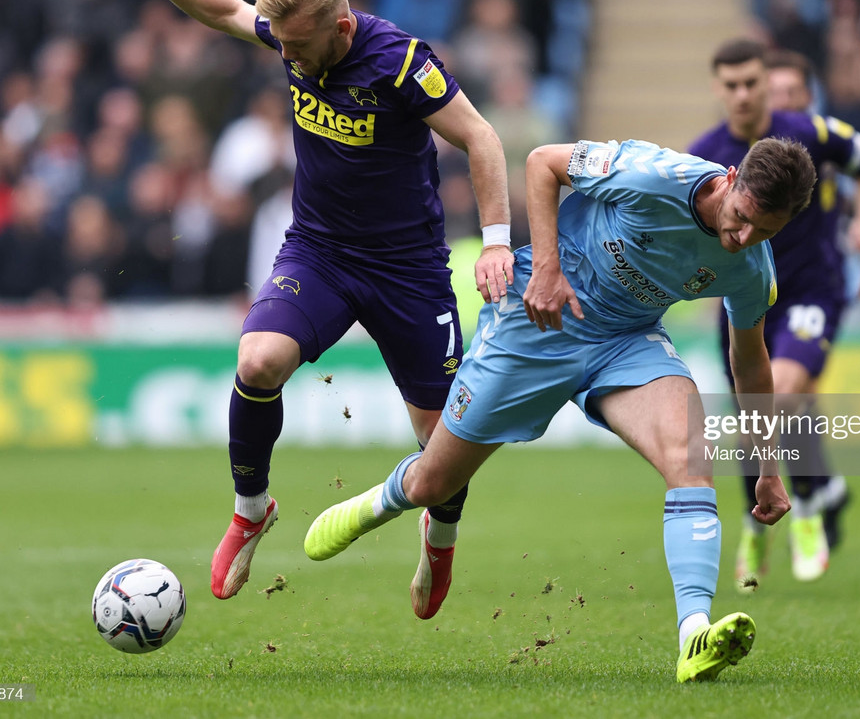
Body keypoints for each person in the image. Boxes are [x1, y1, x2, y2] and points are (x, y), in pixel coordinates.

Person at [108, 0, 514, 610]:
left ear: (343, 28)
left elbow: (482, 139)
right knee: (257, 360)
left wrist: (499, 241)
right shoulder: (293, 31)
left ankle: (439, 538)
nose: (288, 59)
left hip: (408, 266)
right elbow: (230, 10)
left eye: (299, 47)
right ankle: (251, 508)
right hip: (321, 250)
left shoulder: (402, 64)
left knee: (443, 445)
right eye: (283, 46)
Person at [303, 137, 818, 682]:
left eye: (766, 232)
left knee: (691, 456)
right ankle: (386, 501)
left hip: (627, 341)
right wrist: (546, 268)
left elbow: (751, 364)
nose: (743, 239)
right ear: (731, 178)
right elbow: (542, 163)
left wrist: (767, 466)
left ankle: (695, 634)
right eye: (741, 219)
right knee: (435, 483)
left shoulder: (752, 268)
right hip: (539, 317)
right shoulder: (651, 174)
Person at [688, 41, 860, 586]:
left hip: (810, 292)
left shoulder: (808, 135)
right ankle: (760, 527)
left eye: (751, 83)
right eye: (730, 85)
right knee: (755, 422)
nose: (742, 94)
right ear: (717, 88)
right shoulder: (703, 156)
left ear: (765, 82)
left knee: (778, 398)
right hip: (743, 306)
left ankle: (806, 509)